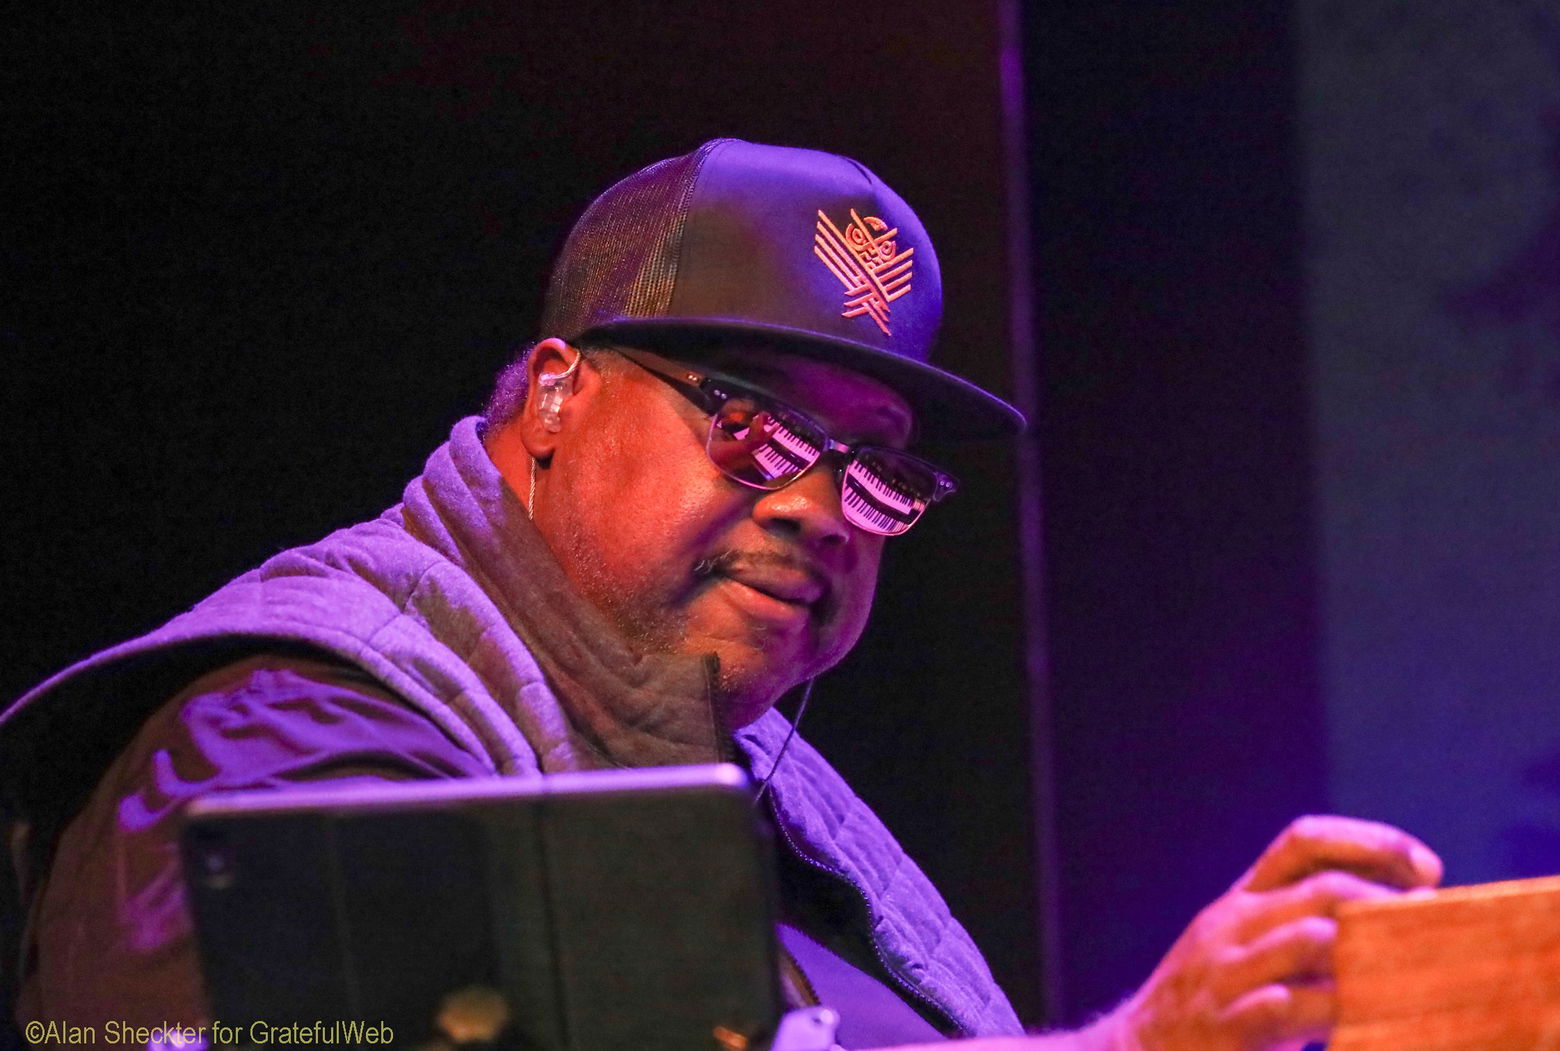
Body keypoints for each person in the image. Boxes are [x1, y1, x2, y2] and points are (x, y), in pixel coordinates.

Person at [0, 138, 1440, 1049]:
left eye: (875, 469)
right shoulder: (287, 731)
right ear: (555, 397)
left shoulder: (741, 783)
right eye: (751, 423)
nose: (818, 507)